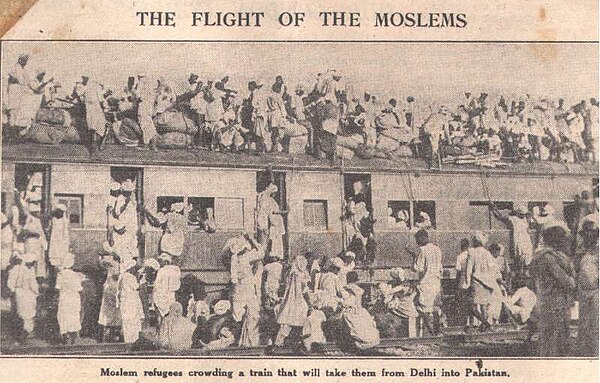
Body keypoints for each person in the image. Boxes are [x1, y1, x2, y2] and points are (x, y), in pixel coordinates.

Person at [529, 221, 576, 357]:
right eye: (562, 238)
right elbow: (567, 282)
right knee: (556, 341)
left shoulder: (541, 256)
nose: (565, 241)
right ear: (556, 240)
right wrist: (572, 279)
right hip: (556, 304)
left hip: (547, 301)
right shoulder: (549, 258)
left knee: (551, 340)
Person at [229, 234, 264, 347]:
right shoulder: (247, 257)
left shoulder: (234, 259)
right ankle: (250, 341)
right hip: (247, 290)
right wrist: (252, 239)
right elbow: (261, 253)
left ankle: (238, 340)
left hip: (237, 291)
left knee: (237, 317)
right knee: (254, 315)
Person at [464, 231, 498, 332]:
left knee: (472, 307)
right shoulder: (487, 253)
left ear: (475, 241)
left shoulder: (472, 252)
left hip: (476, 281)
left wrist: (467, 283)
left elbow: (468, 270)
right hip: (487, 283)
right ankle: (484, 328)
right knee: (484, 306)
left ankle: (487, 325)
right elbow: (493, 269)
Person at [273, 254, 310, 347]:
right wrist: (310, 303)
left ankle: (280, 342)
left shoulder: (289, 274)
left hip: (289, 300)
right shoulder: (300, 275)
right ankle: (299, 340)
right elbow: (304, 291)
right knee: (302, 317)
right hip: (298, 300)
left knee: (287, 321)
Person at [412, 229, 442, 336]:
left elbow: (418, 268)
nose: (417, 242)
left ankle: (431, 332)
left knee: (423, 309)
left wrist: (414, 257)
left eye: (417, 240)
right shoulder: (437, 249)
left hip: (426, 283)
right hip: (436, 282)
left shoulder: (422, 250)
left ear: (421, 238)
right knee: (435, 308)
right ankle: (438, 331)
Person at [340, 271, 380, 351]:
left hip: (349, 311)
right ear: (356, 280)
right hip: (359, 310)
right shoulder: (358, 290)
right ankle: (368, 341)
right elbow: (359, 303)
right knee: (366, 323)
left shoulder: (344, 288)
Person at [576, 214, 598, 356]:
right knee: (585, 325)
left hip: (597, 292)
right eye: (585, 232)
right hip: (583, 292)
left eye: (591, 231)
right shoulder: (582, 248)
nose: (587, 234)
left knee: (597, 324)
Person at [491, 203, 533, 276]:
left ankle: (525, 273)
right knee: (520, 260)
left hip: (526, 242)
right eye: (523, 214)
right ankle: (520, 275)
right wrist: (494, 210)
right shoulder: (513, 219)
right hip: (519, 241)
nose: (524, 215)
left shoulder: (526, 220)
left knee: (527, 259)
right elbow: (500, 217)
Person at [7, 252, 39, 340]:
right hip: (27, 294)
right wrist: (36, 293)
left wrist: (14, 290)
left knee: (22, 313)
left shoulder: (17, 269)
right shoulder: (29, 271)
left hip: (21, 293)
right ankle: (25, 331)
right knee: (27, 314)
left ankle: (24, 331)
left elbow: (10, 282)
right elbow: (33, 285)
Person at [55, 252, 84, 344]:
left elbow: (57, 288)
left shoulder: (60, 274)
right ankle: (73, 339)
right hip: (74, 299)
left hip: (64, 298)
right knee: (74, 316)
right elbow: (80, 289)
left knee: (63, 316)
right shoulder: (75, 275)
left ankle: (65, 336)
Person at [110, 180, 139, 265]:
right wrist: (126, 203)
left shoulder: (132, 200)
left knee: (132, 248)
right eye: (127, 192)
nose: (128, 193)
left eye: (130, 192)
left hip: (131, 228)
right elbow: (117, 212)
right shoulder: (120, 199)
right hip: (123, 228)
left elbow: (134, 214)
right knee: (122, 249)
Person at [98, 242, 122, 342]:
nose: (103, 257)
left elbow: (115, 275)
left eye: (105, 255)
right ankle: (110, 335)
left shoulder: (114, 265)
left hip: (113, 290)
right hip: (110, 289)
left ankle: (112, 335)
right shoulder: (111, 264)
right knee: (110, 311)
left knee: (112, 311)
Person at [117, 259, 144, 343]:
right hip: (130, 301)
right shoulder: (130, 277)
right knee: (132, 321)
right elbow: (136, 287)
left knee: (127, 321)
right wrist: (140, 280)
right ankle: (132, 340)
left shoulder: (122, 276)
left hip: (125, 301)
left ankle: (128, 339)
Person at [153, 253, 181, 322]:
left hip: (161, 295)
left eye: (161, 261)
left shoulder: (162, 271)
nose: (160, 263)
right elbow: (176, 286)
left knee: (160, 315)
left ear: (165, 262)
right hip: (170, 296)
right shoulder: (176, 270)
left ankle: (160, 329)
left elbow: (156, 284)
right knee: (170, 314)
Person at [82, 76, 107, 153]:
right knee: (100, 127)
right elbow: (101, 100)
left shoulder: (86, 87)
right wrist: (105, 107)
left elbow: (83, 98)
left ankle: (93, 147)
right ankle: (97, 147)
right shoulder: (97, 87)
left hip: (89, 110)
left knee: (92, 128)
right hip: (97, 109)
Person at [133, 73, 158, 150]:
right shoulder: (151, 82)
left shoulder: (141, 82)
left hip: (143, 106)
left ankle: (146, 145)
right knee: (150, 125)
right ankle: (153, 145)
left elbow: (138, 96)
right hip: (149, 107)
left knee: (145, 125)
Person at [454, 238, 472, 326]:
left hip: (463, 283)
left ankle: (463, 323)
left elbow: (458, 271)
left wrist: (457, 284)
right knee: (472, 304)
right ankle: (472, 322)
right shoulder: (471, 254)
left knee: (462, 304)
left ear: (461, 246)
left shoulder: (460, 256)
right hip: (472, 283)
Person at [48, 203, 70, 270]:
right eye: (58, 211)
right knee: (53, 259)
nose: (59, 213)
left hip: (61, 242)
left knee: (61, 258)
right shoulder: (53, 220)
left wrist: (66, 242)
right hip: (53, 241)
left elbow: (66, 233)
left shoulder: (65, 221)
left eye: (60, 212)